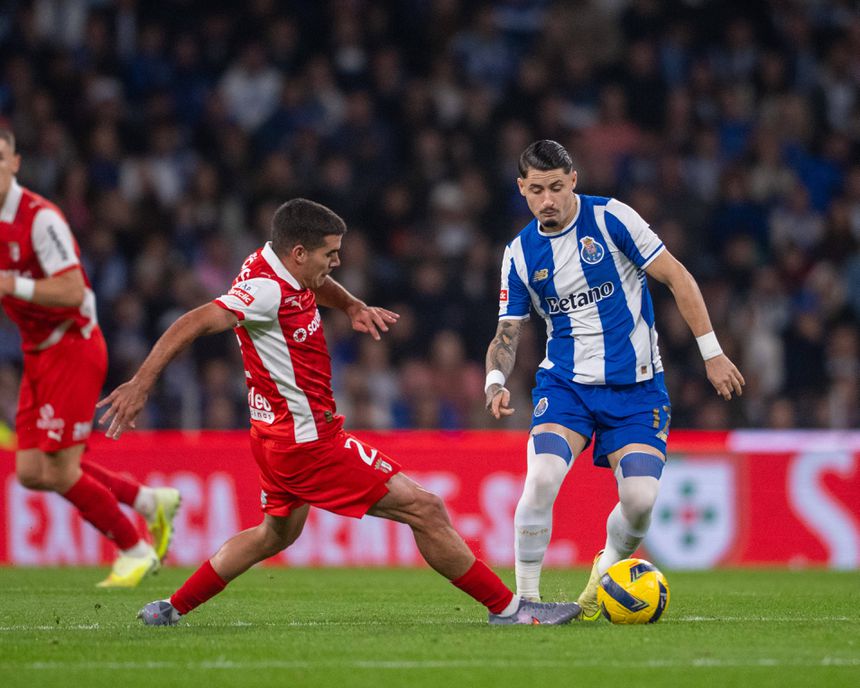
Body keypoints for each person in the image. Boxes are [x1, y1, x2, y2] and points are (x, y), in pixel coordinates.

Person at [98, 198, 582, 626]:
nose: (338, 260)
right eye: (330, 253)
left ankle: (172, 607)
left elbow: (318, 286)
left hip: (274, 439)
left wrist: (349, 304)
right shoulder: (266, 290)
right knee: (426, 508)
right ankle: (510, 609)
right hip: (308, 443)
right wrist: (141, 383)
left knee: (272, 534)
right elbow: (197, 320)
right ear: (298, 253)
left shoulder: (279, 267)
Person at [483, 140, 744, 619]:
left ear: (573, 181)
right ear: (522, 189)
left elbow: (678, 277)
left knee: (641, 501)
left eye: (557, 188)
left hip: (637, 388)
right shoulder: (519, 253)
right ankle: (528, 603)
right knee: (540, 479)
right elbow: (507, 330)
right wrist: (495, 380)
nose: (548, 200)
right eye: (537, 189)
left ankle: (605, 569)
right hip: (565, 388)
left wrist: (713, 353)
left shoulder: (612, 219)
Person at [0, 128, 180, 587]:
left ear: (16, 163)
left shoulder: (40, 219)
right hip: (38, 353)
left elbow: (73, 289)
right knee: (32, 471)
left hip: (74, 346)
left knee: (59, 469)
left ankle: (134, 548)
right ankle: (146, 502)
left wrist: (10, 284)